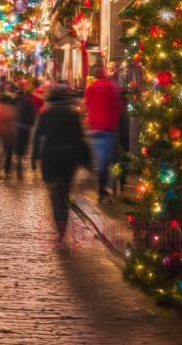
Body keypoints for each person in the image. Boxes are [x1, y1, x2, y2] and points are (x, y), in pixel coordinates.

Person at [34, 85, 91, 238]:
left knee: (54, 192)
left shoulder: (45, 114)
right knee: (64, 191)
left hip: (51, 156)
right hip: (69, 157)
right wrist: (86, 159)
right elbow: (80, 137)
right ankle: (63, 225)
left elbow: (38, 136)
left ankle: (59, 223)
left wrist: (34, 157)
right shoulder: (72, 114)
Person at [84, 64, 122, 204]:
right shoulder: (113, 88)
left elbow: (85, 106)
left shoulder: (91, 88)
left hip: (94, 129)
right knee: (110, 160)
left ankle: (102, 190)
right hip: (109, 129)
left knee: (101, 162)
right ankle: (109, 189)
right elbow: (118, 108)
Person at [13, 84, 37, 178]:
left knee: (18, 142)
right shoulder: (29, 102)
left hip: (17, 126)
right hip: (26, 127)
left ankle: (18, 157)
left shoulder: (16, 102)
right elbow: (32, 114)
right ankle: (20, 157)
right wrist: (31, 124)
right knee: (24, 143)